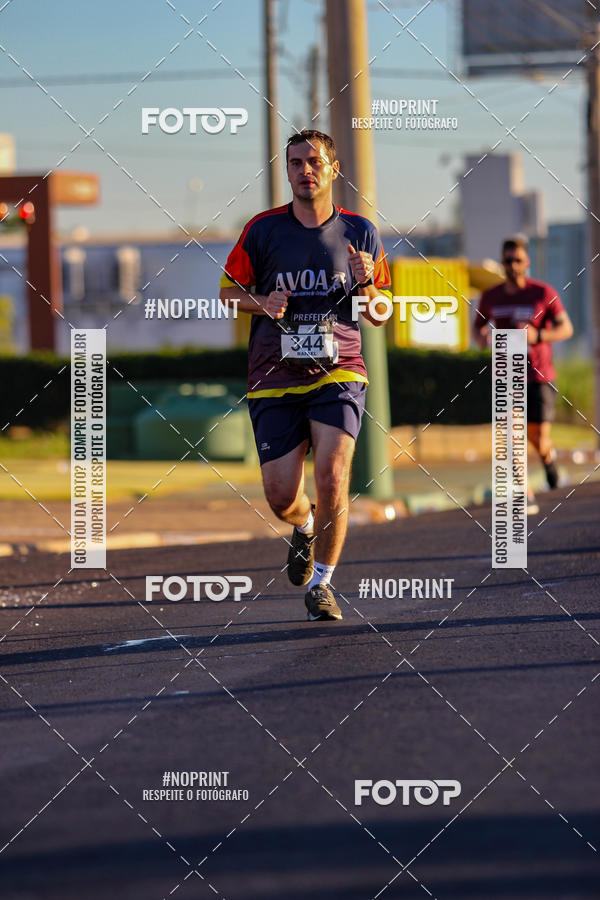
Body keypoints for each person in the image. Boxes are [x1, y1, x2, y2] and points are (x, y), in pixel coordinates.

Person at [219, 129, 391, 620]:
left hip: (340, 370)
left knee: (333, 475)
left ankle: (322, 584)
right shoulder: (263, 230)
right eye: (295, 163)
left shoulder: (361, 233)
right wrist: (262, 302)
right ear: (287, 171)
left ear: (333, 169)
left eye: (314, 162)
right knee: (280, 497)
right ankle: (304, 526)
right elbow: (227, 292)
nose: (305, 170)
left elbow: (379, 312)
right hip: (274, 375)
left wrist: (365, 286)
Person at [474, 235, 573, 514]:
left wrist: (538, 334)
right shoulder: (490, 296)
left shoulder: (542, 293)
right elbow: (478, 326)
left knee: (539, 437)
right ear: (502, 262)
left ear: (526, 262)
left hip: (540, 377)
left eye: (517, 260)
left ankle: (548, 458)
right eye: (507, 260)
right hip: (507, 376)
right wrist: (483, 337)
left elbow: (566, 329)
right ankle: (525, 493)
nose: (512, 265)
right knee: (511, 433)